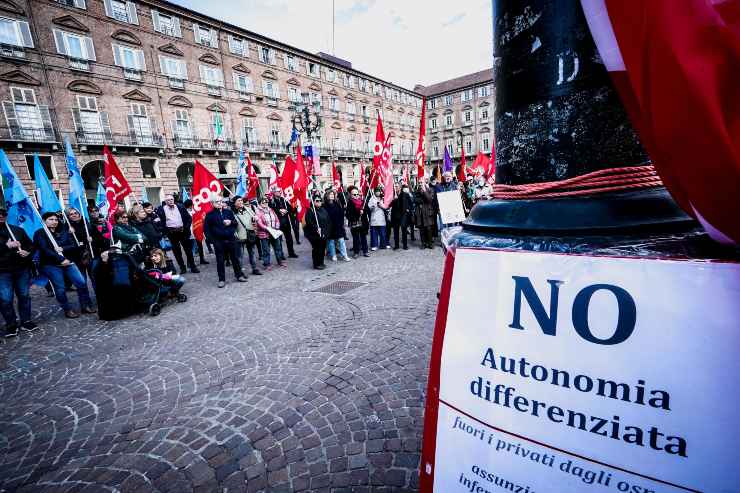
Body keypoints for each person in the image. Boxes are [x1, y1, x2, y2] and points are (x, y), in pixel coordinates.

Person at [34, 211, 95, 318]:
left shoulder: (63, 231)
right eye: (51, 220)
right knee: (60, 288)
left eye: (56, 220)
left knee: (81, 282)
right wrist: (60, 259)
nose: (54, 222)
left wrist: (63, 248)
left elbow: (73, 244)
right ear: (44, 221)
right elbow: (45, 250)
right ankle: (67, 309)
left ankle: (85, 306)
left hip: (68, 262)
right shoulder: (40, 233)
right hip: (51, 264)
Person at [0, 208, 37, 336]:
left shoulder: (17, 230)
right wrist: (6, 246)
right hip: (2, 272)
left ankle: (26, 320)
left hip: (21, 269)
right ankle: (11, 324)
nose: (1, 216)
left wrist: (27, 252)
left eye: (3, 213)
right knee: (5, 299)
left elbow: (31, 245)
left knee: (24, 295)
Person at [204, 196, 247, 287]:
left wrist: (230, 222)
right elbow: (206, 230)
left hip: (231, 239)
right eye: (217, 202)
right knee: (220, 261)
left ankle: (239, 275)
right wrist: (212, 241)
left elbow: (236, 223)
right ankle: (221, 279)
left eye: (221, 201)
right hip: (219, 241)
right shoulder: (209, 215)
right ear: (212, 203)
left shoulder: (228, 212)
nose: (220, 203)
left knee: (235, 258)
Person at [156, 194, 199, 274]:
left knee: (188, 250)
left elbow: (189, 218)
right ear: (165, 202)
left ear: (174, 200)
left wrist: (186, 228)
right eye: (168, 200)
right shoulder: (161, 210)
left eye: (171, 199)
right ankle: (182, 268)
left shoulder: (180, 207)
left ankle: (193, 266)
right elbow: (161, 222)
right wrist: (165, 232)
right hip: (172, 233)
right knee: (177, 252)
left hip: (183, 232)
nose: (170, 201)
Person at [231, 196, 262, 276]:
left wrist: (255, 218)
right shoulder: (232, 213)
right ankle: (240, 272)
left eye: (241, 200)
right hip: (240, 236)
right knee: (240, 256)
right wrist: (235, 233)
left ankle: (254, 268)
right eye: (238, 201)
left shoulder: (248, 209)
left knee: (252, 253)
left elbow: (255, 218)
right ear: (235, 203)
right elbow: (231, 225)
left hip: (250, 234)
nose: (241, 202)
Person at [64, 207, 96, 277]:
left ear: (79, 214)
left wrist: (92, 238)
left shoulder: (85, 222)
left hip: (89, 253)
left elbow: (96, 235)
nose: (74, 215)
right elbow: (64, 241)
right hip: (77, 255)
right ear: (68, 217)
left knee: (93, 276)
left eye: (76, 213)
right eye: (71, 214)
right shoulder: (67, 226)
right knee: (82, 277)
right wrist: (68, 233)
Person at [255, 196, 285, 270]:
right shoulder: (258, 212)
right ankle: (267, 264)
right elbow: (259, 223)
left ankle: (280, 261)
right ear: (260, 204)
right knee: (266, 250)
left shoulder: (271, 210)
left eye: (266, 202)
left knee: (278, 247)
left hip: (274, 232)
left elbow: (277, 219)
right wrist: (268, 229)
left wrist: (276, 227)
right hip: (265, 234)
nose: (265, 203)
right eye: (263, 202)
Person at [304, 194, 332, 270]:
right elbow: (309, 222)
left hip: (323, 233)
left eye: (320, 200)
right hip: (314, 234)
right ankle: (316, 264)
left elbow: (328, 220)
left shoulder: (323, 209)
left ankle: (321, 262)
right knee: (317, 249)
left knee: (322, 248)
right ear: (313, 202)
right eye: (317, 201)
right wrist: (316, 228)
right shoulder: (310, 210)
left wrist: (327, 231)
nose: (319, 202)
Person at [269, 187, 298, 259]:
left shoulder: (283, 200)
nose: (279, 192)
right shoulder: (272, 201)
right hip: (278, 223)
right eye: (278, 191)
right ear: (274, 192)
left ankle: (291, 253)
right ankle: (281, 255)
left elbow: (290, 209)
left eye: (279, 191)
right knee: (279, 240)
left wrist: (293, 207)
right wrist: (279, 211)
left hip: (286, 222)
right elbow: (271, 210)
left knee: (289, 238)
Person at [324, 190, 351, 262]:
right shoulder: (324, 205)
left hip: (338, 225)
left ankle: (344, 255)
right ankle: (333, 255)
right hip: (330, 226)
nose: (332, 196)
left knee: (341, 240)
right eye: (330, 194)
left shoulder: (337, 203)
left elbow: (341, 213)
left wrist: (342, 223)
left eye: (333, 194)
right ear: (327, 196)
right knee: (331, 241)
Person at [182, 199, 210, 265]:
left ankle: (202, 259)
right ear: (190, 205)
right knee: (190, 248)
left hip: (197, 231)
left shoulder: (195, 211)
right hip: (189, 232)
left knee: (200, 246)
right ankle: (189, 262)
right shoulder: (184, 212)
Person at [345, 186, 369, 258]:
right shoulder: (349, 203)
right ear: (351, 195)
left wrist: (363, 211)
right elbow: (348, 215)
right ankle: (356, 252)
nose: (356, 196)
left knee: (363, 238)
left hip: (363, 223)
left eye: (357, 194)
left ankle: (365, 251)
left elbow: (367, 211)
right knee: (356, 239)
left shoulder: (363, 202)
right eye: (354, 194)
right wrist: (358, 213)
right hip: (354, 224)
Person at [390, 183, 414, 250]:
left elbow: (411, 203)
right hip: (395, 215)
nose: (396, 187)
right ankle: (396, 245)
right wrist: (393, 200)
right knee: (395, 231)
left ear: (400, 187)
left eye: (397, 186)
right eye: (395, 186)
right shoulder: (392, 195)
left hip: (403, 215)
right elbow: (389, 205)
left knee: (404, 230)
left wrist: (408, 209)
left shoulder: (405, 194)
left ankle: (405, 245)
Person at [415, 181, 437, 249]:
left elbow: (430, 199)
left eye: (421, 182)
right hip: (420, 212)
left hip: (428, 213)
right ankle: (423, 243)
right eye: (419, 183)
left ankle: (430, 243)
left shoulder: (430, 190)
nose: (420, 184)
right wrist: (423, 200)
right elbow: (415, 200)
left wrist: (424, 192)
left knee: (429, 229)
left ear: (425, 183)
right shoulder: (417, 191)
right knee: (422, 229)